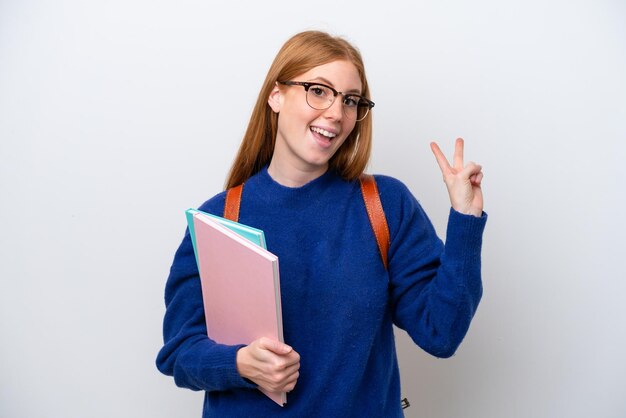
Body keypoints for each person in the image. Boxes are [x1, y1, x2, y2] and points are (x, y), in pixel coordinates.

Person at [156, 30, 487, 417]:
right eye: (318, 90)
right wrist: (240, 364)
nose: (335, 112)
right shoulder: (218, 219)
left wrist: (466, 219)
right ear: (276, 95)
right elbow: (179, 351)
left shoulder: (384, 205)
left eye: (350, 100)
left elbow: (441, 333)